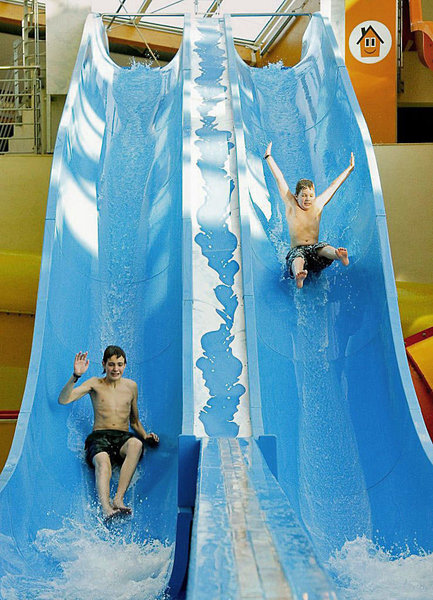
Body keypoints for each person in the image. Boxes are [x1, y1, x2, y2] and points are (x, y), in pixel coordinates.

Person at [58, 346, 159, 521]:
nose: (115, 369)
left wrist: (145, 436)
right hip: (100, 438)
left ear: (125, 365)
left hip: (122, 438)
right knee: (103, 463)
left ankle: (118, 498)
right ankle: (106, 508)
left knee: (136, 444)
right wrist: (76, 376)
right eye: (111, 364)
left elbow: (134, 421)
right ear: (104, 364)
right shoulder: (95, 384)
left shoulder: (131, 386)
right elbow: (63, 399)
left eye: (119, 364)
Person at [264, 142, 354, 288]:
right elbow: (280, 179)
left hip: (315, 254)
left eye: (311, 195)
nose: (308, 199)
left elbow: (334, 186)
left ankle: (338, 255)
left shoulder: (318, 205)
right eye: (304, 195)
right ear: (296, 196)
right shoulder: (292, 206)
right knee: (297, 258)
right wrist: (268, 157)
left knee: (324, 248)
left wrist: (349, 169)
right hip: (298, 249)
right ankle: (299, 275)